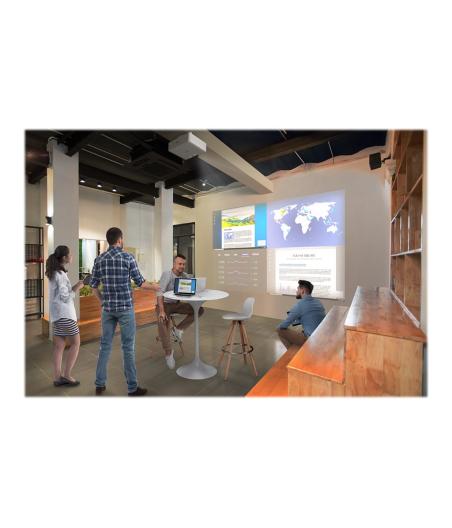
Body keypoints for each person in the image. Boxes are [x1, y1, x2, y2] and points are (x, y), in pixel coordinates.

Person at [90, 227, 160, 396]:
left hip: (108, 310)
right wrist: (157, 287)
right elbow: (141, 283)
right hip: (125, 309)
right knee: (128, 348)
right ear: (120, 240)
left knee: (104, 346)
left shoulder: (99, 259)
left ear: (109, 240)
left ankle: (99, 384)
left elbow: (93, 286)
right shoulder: (128, 257)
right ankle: (132, 388)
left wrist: (103, 302)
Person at [156, 254, 204, 369]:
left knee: (199, 310)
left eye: (183, 264)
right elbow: (159, 292)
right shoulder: (167, 274)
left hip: (176, 304)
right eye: (179, 264)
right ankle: (168, 353)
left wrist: (197, 288)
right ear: (174, 264)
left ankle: (178, 329)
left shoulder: (184, 275)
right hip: (164, 304)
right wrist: (161, 311)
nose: (182, 266)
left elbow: (192, 288)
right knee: (162, 321)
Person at [45, 245, 84, 387]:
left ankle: (57, 378)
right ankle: (67, 375)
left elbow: (63, 294)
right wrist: (78, 287)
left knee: (59, 346)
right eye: (70, 254)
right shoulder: (60, 275)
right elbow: (65, 297)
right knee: (76, 343)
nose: (72, 256)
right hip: (65, 315)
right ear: (64, 258)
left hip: (57, 315)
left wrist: (76, 285)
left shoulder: (54, 273)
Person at [277, 280, 326, 349]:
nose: (296, 291)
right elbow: (311, 317)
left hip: (312, 341)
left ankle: (293, 353)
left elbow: (284, 325)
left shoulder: (300, 305)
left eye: (298, 289)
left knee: (280, 330)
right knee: (300, 330)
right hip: (323, 338)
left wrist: (278, 327)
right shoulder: (318, 302)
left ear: (302, 290)